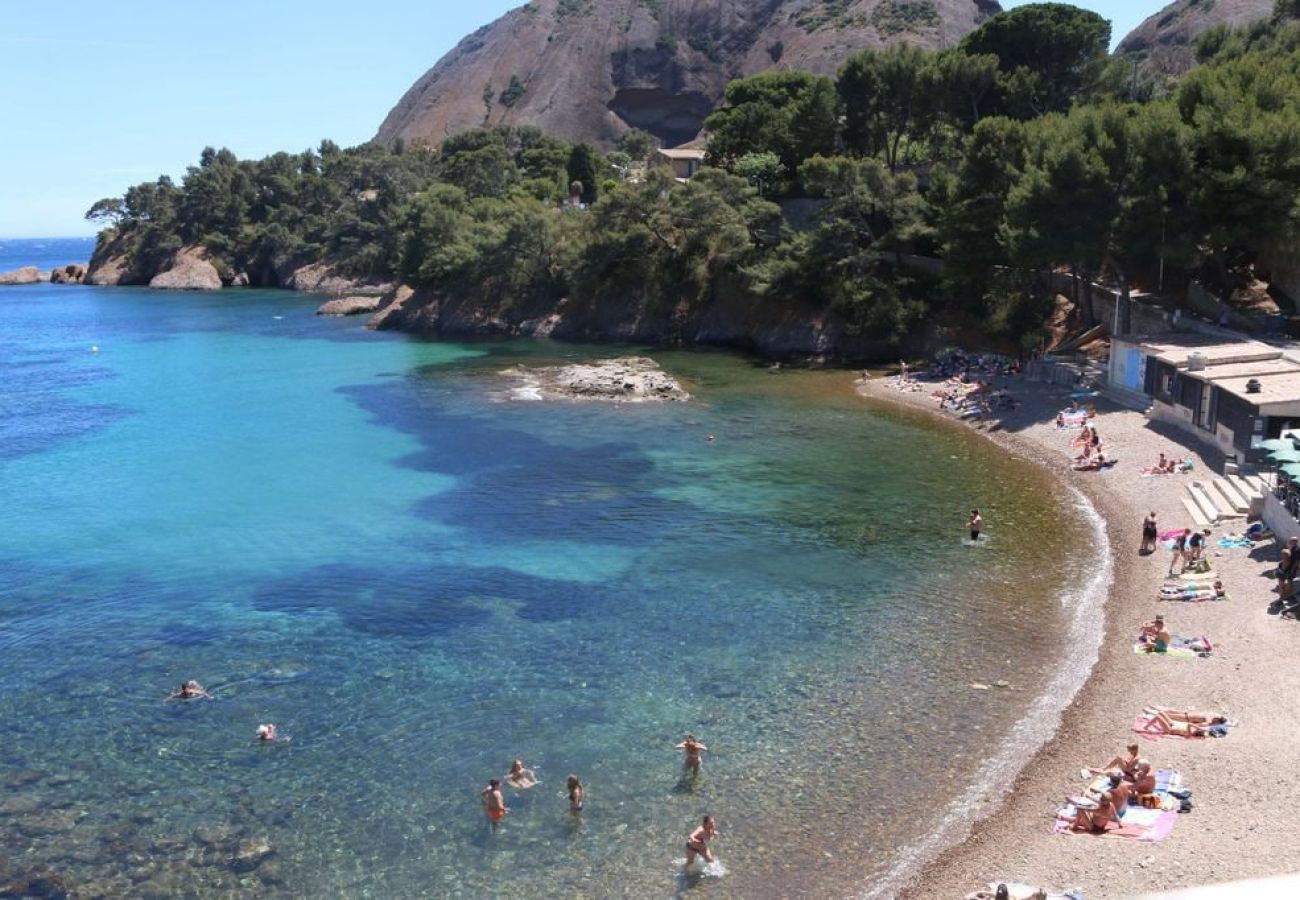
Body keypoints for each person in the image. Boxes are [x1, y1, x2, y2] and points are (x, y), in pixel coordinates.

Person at [1141, 708, 1229, 737]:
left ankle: (1146, 725)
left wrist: (1202, 728)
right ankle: (1151, 712)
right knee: (1164, 713)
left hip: (1171, 728)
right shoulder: (1208, 721)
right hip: (1177, 722)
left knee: (1161, 715)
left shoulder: (1192, 731)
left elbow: (1191, 725)